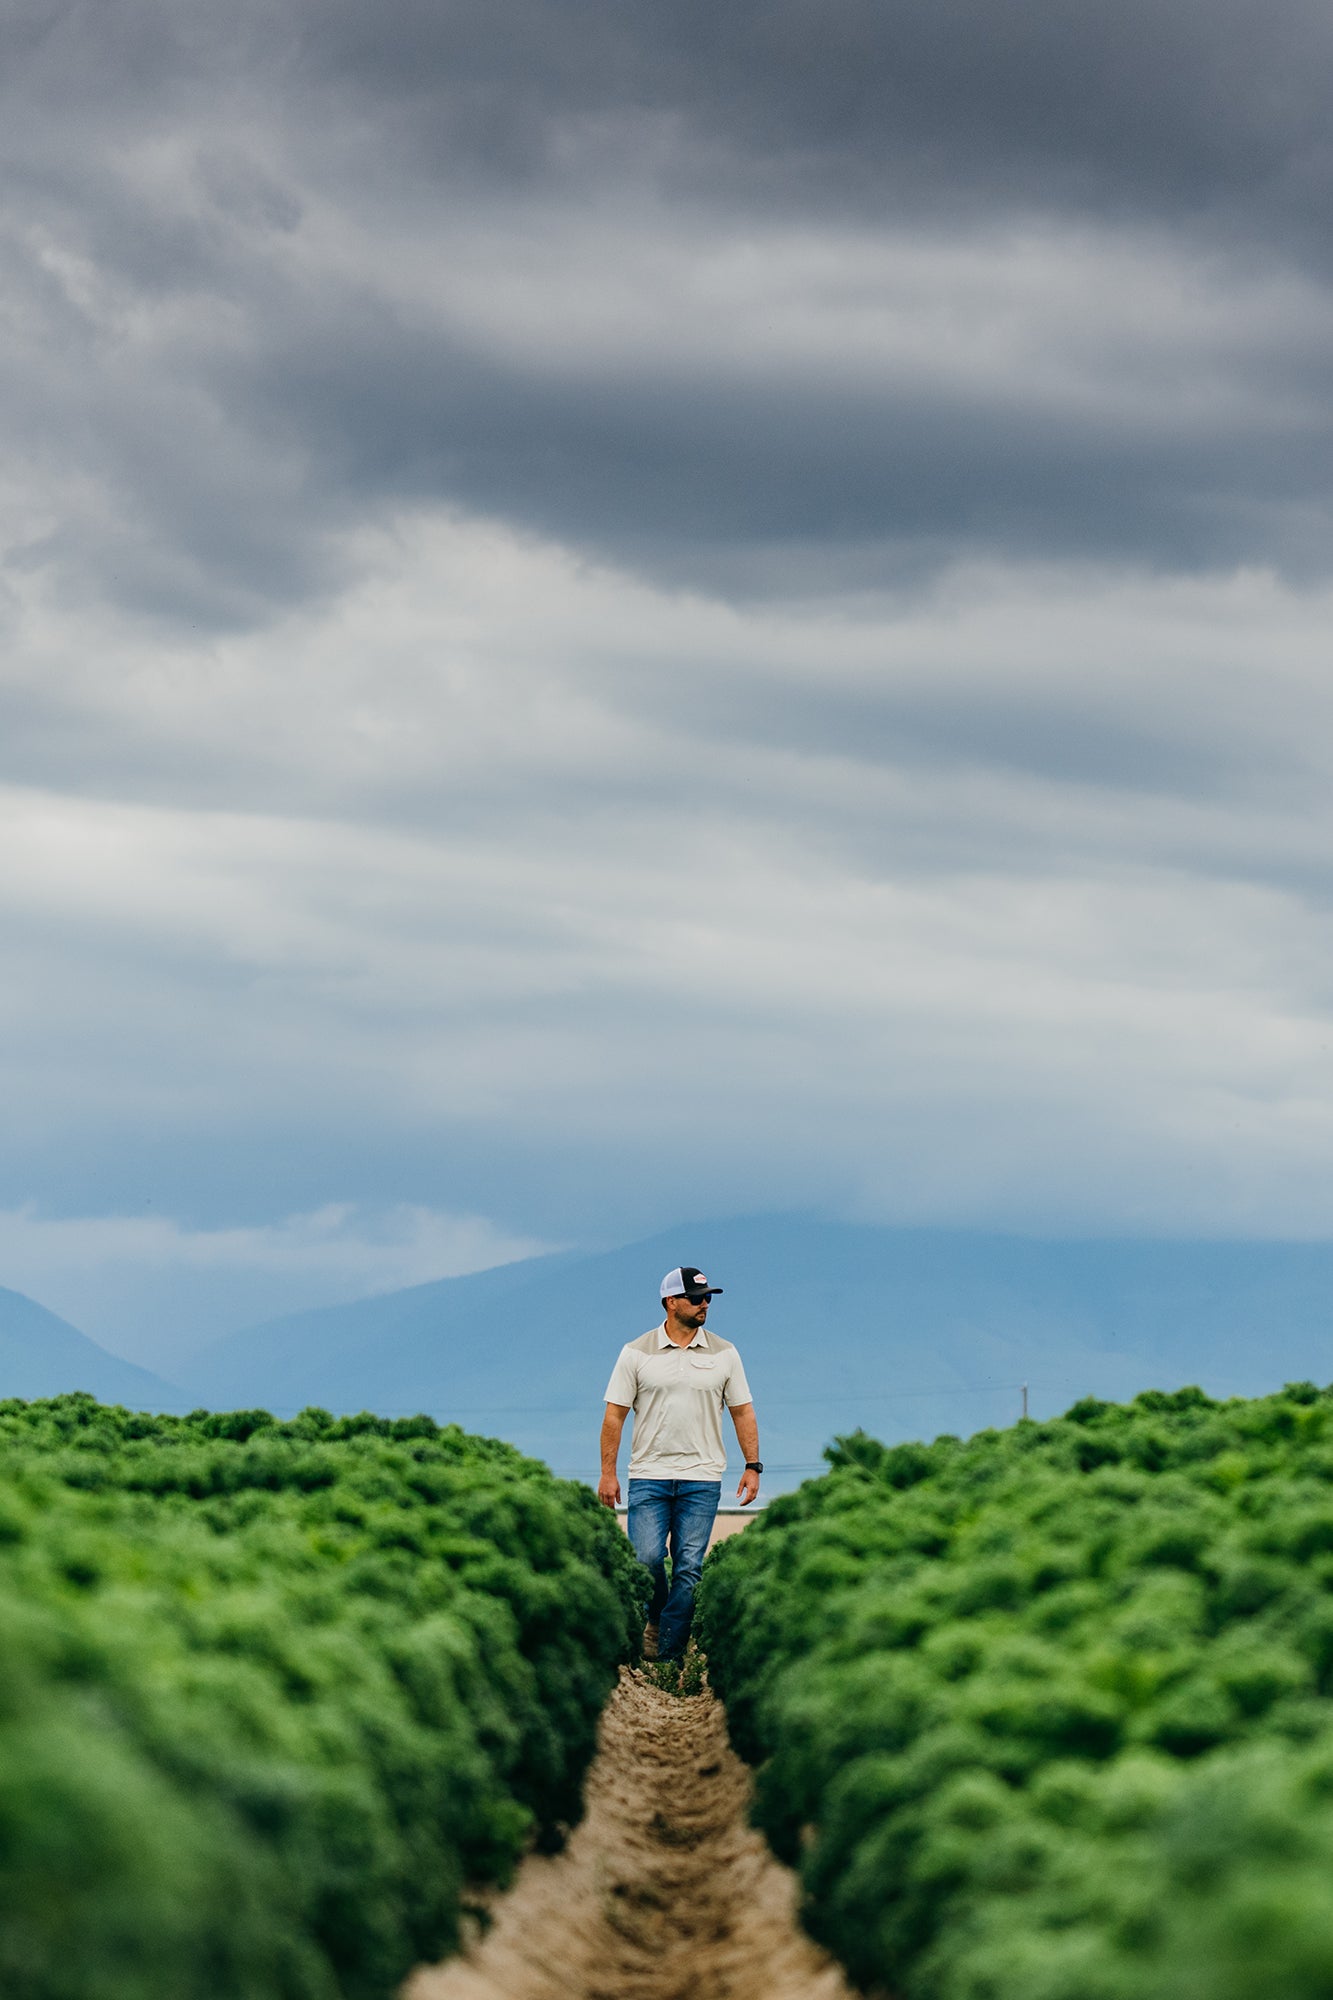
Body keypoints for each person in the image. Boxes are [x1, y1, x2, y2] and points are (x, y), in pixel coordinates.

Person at [598, 1265, 762, 1661]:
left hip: (702, 1478)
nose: (705, 1304)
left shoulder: (725, 1352)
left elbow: (743, 1412)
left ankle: (668, 1654)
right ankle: (657, 1618)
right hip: (649, 1475)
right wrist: (608, 1473)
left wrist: (753, 1465)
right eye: (696, 1298)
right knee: (647, 1559)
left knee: (689, 1567)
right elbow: (614, 1415)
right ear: (671, 1302)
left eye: (708, 1298)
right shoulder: (635, 1352)